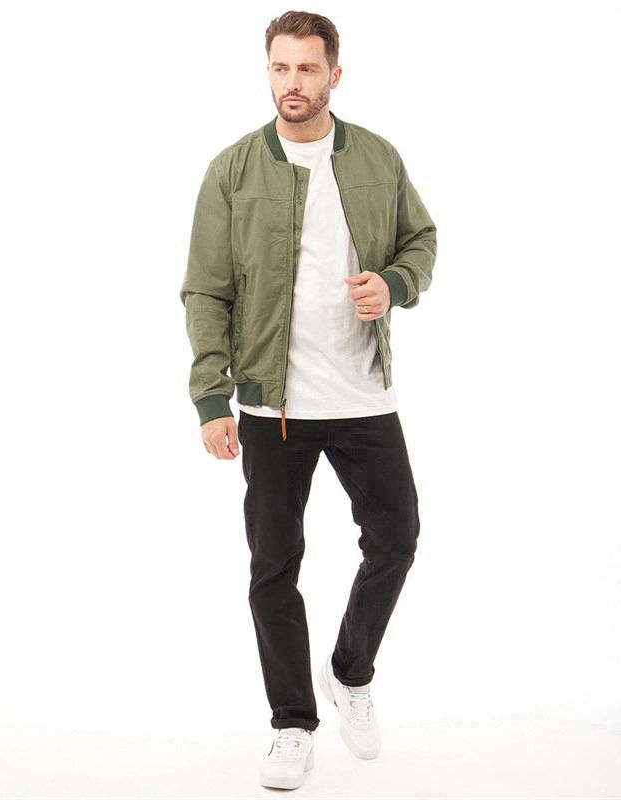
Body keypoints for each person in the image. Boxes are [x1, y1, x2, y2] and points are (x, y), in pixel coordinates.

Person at [180, 10, 437, 791]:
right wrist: (211, 398)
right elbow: (206, 290)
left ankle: (350, 673)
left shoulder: (377, 158)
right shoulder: (232, 170)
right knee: (274, 567)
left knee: (396, 538)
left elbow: (421, 241)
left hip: (363, 396)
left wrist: (394, 284)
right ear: (269, 70)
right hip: (271, 407)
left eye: (307, 68)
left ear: (334, 75)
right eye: (281, 67)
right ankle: (292, 725)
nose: (293, 82)